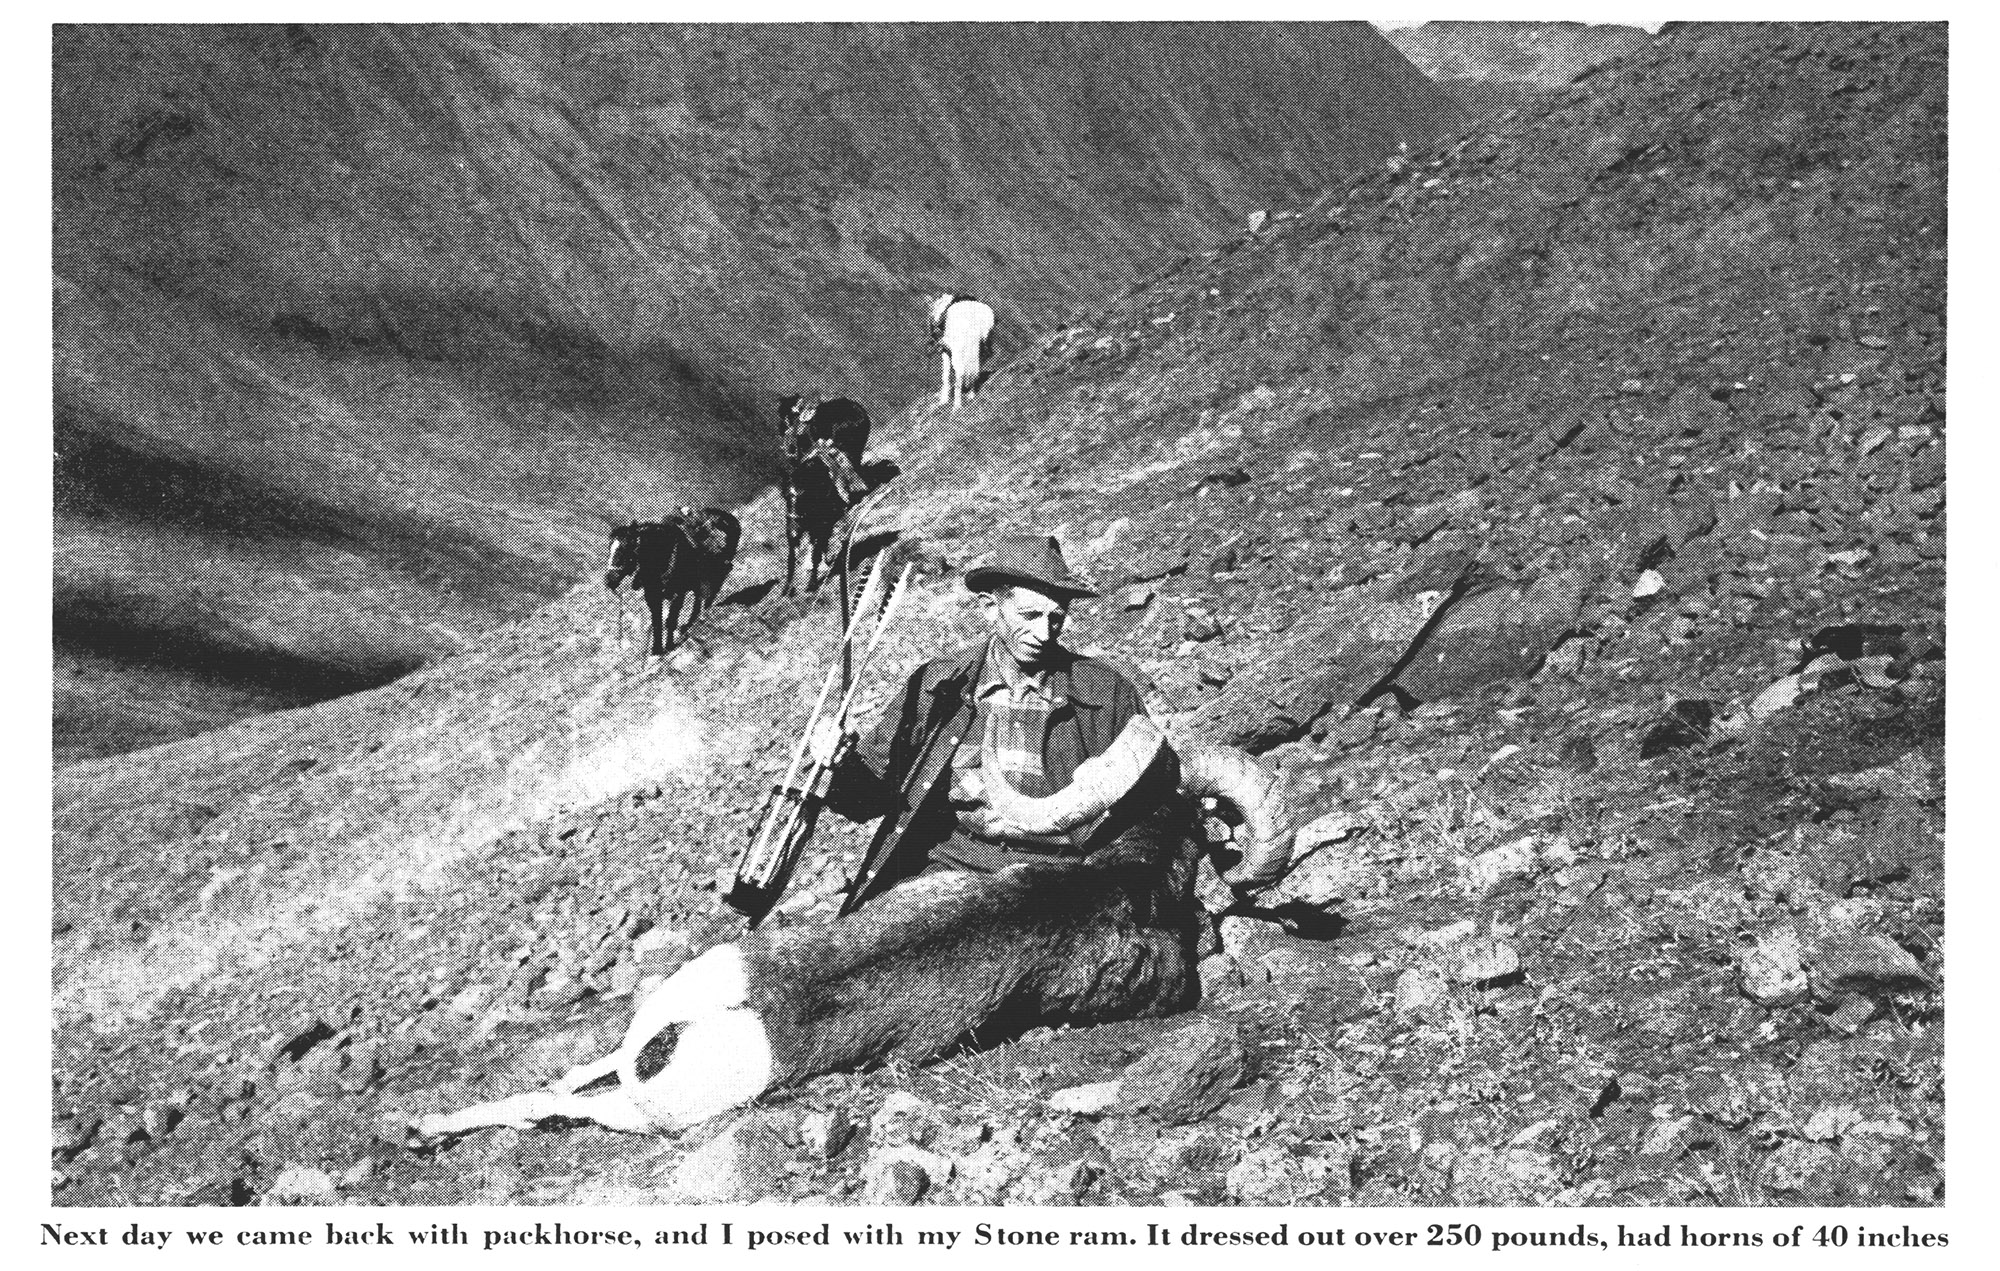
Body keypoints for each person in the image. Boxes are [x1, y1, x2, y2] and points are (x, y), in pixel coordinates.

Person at [811, 534, 1180, 914]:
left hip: (1055, 882)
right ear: (991, 608)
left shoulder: (1105, 690)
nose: (1044, 633)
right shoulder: (937, 686)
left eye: (1056, 618)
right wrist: (840, 765)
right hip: (944, 874)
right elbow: (869, 802)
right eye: (1030, 616)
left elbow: (1149, 805)